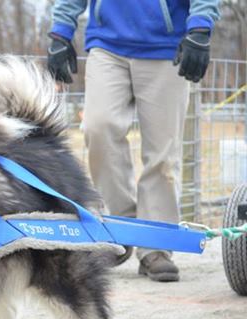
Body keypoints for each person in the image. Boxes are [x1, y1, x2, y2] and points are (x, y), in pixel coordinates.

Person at [47, 0, 220, 282]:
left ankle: (156, 246)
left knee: (162, 155)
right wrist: (60, 32)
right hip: (107, 44)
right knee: (97, 128)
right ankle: (122, 227)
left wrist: (200, 28)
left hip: (167, 48)